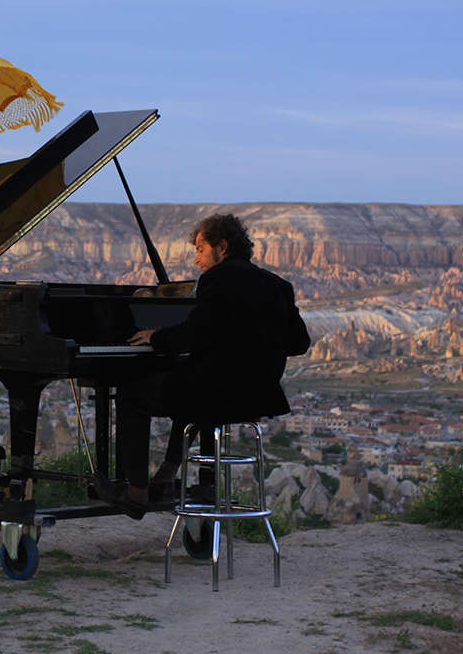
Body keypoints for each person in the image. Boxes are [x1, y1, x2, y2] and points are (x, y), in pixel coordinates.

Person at [99, 213, 310, 518]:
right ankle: (167, 475)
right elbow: (298, 344)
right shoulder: (278, 285)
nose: (196, 259)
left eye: (200, 249)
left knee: (133, 392)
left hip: (217, 393)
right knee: (192, 387)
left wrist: (156, 338)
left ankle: (135, 493)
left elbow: (195, 332)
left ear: (222, 247)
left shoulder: (216, 279)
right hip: (257, 396)